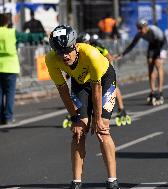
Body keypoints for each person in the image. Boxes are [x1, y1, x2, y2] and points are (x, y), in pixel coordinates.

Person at [45, 25, 120, 189]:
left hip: (103, 80)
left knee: (103, 129)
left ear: (74, 46)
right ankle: (76, 181)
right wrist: (75, 118)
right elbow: (63, 90)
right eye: (59, 52)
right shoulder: (50, 59)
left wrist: (98, 119)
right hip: (79, 83)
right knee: (79, 132)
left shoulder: (90, 54)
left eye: (67, 51)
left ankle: (112, 180)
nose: (64, 56)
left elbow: (97, 89)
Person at [77, 32, 131, 126]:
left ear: (88, 42)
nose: (82, 45)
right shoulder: (80, 50)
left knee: (113, 86)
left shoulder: (97, 46)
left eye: (84, 43)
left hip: (105, 67)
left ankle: (121, 109)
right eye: (80, 43)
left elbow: (109, 57)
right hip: (93, 70)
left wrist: (108, 73)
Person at [0, 13, 44, 125]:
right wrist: (41, 35)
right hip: (11, 67)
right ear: (6, 22)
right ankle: (8, 117)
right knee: (9, 93)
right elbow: (28, 37)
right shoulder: (12, 32)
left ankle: (0, 117)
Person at [114, 19, 168, 105]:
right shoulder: (139, 34)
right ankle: (152, 90)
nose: (139, 30)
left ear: (146, 27)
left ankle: (160, 91)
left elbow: (164, 41)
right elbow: (132, 45)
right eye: (138, 28)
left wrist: (162, 53)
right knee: (150, 66)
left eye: (140, 28)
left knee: (158, 65)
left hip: (161, 46)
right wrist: (122, 54)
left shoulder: (154, 30)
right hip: (152, 47)